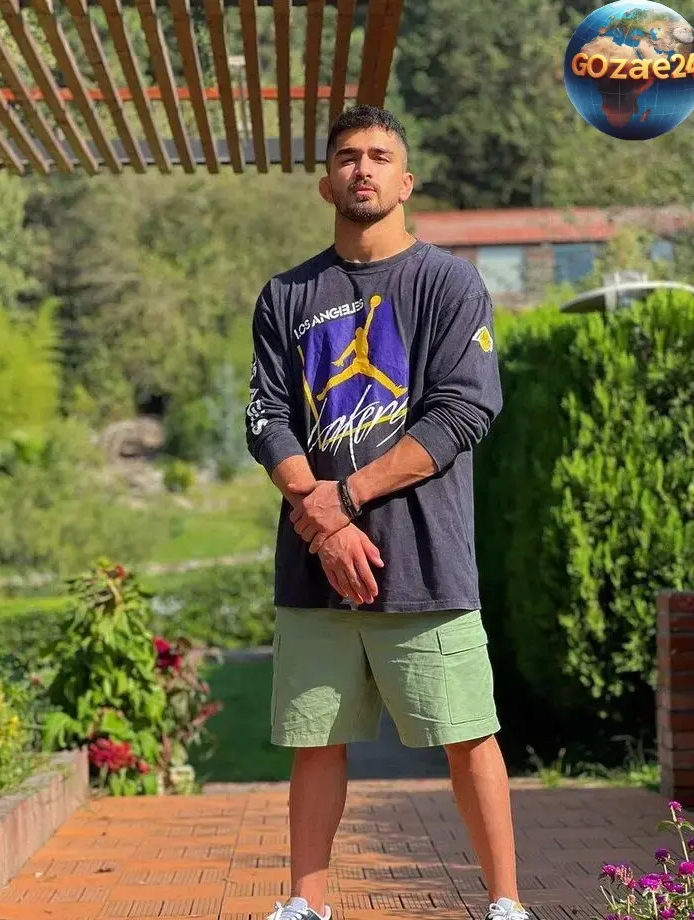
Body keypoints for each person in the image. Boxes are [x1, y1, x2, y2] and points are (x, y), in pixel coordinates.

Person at [245, 104, 527, 920]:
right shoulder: (287, 294)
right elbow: (266, 416)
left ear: (406, 182)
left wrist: (343, 499)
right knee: (315, 741)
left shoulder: (447, 284)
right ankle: (306, 905)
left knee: (468, 733)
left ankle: (506, 904)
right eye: (346, 156)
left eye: (378, 156)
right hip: (315, 568)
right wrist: (326, 524)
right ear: (325, 182)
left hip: (426, 561)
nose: (361, 168)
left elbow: (462, 411)